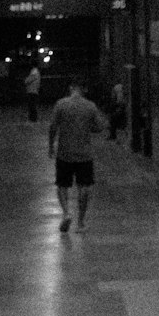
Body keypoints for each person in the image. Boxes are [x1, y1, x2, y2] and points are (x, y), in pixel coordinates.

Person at [48, 78, 107, 232]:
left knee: (62, 185)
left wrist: (50, 146)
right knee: (84, 187)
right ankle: (80, 222)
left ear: (71, 88)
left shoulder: (61, 104)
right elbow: (99, 127)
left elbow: (53, 126)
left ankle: (66, 213)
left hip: (64, 152)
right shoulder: (90, 106)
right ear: (84, 89)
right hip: (84, 154)